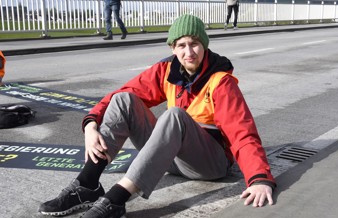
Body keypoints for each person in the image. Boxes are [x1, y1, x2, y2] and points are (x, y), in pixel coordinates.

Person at [38, 14, 276, 218]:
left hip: (210, 164)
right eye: (181, 45)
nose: (188, 51)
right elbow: (121, 94)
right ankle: (87, 184)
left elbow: (242, 133)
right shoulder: (166, 70)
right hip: (175, 159)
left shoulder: (220, 81)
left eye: (194, 44)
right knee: (124, 100)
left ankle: (117, 199)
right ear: (173, 48)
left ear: (204, 45)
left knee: (174, 116)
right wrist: (91, 124)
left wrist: (259, 178)